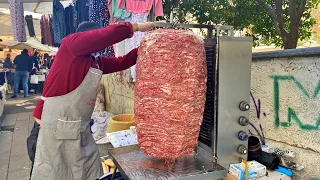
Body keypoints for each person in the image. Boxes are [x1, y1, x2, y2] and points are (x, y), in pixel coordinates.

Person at [28, 21, 154, 180]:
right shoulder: (70, 45)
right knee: (54, 173)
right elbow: (106, 35)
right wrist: (136, 28)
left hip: (78, 129)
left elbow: (123, 62)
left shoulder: (96, 62)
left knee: (86, 171)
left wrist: (148, 46)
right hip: (51, 127)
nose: (100, 45)